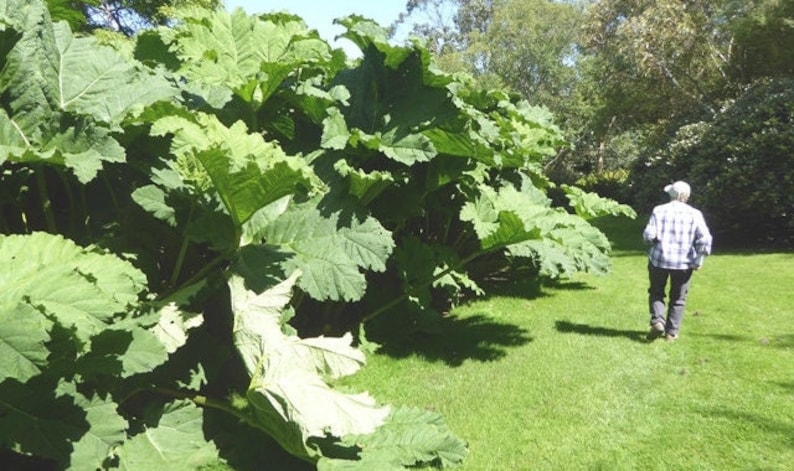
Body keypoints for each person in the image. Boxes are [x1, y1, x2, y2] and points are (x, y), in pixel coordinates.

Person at [642, 181, 712, 341]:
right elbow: (705, 240)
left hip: (659, 260)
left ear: (671, 194)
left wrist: (652, 243)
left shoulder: (659, 210)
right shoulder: (695, 214)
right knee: (678, 298)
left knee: (656, 292)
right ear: (686, 196)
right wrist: (698, 259)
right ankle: (671, 333)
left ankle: (657, 321)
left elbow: (649, 235)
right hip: (684, 263)